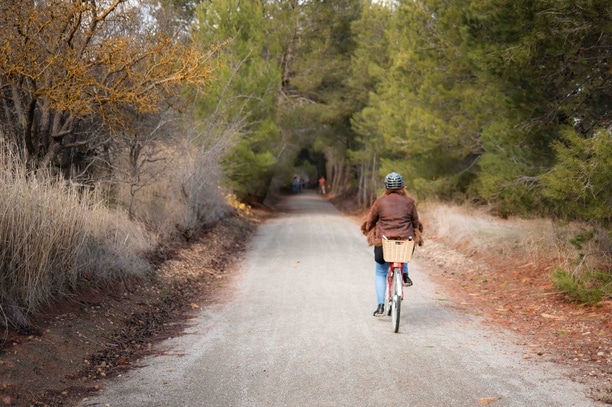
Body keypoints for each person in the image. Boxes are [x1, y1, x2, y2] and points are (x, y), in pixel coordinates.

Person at [361, 172, 423, 317]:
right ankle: (405, 274)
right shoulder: (409, 202)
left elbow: (370, 221)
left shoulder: (380, 201)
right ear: (402, 186)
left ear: (386, 186)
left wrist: (368, 228)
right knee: (405, 246)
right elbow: (415, 223)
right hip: (404, 242)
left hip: (384, 243)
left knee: (381, 272)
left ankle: (381, 305)